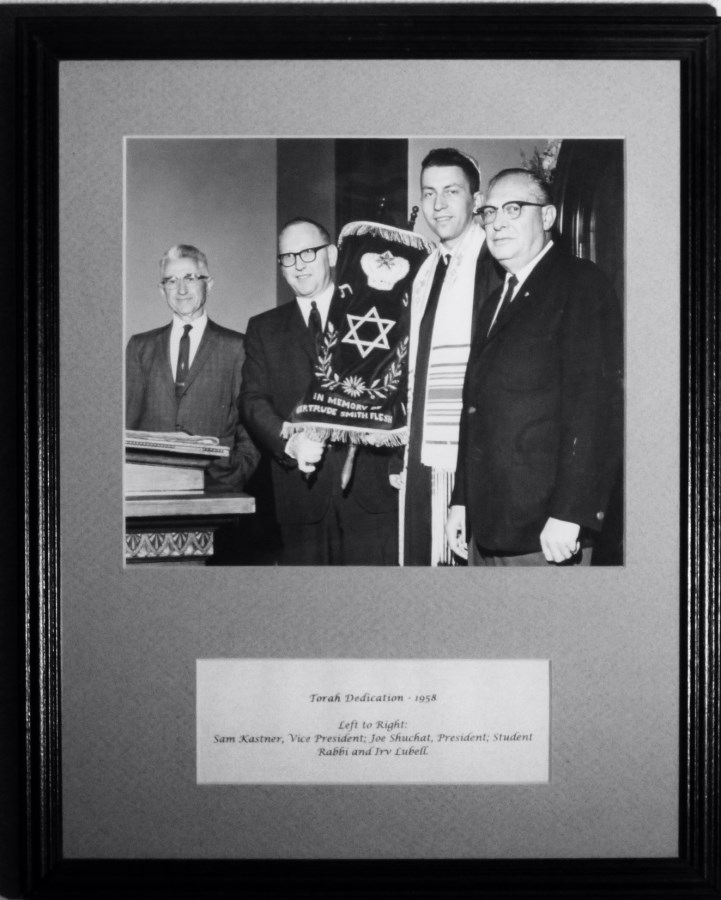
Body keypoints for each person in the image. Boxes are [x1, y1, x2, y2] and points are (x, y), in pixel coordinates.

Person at [446, 168, 623, 566]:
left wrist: (571, 513)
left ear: (547, 217)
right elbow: (473, 408)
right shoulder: (494, 301)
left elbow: (595, 408)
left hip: (546, 532)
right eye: (489, 213)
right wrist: (461, 501)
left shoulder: (581, 284)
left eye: (513, 209)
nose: (497, 223)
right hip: (487, 525)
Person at [239, 217, 399, 565]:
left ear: (330, 254)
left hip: (372, 494)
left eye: (307, 253)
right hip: (301, 498)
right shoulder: (263, 328)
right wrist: (290, 441)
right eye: (287, 257)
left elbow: (401, 391)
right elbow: (252, 401)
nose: (297, 265)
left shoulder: (373, 313)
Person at [401, 147, 503, 565]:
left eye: (451, 191)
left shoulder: (492, 264)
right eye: (428, 193)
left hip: (467, 456)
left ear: (476, 201)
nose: (438, 205)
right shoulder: (426, 269)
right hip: (422, 451)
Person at [126, 243, 259, 491]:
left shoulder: (238, 346)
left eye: (190, 278)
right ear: (161, 289)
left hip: (217, 485)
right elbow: (126, 423)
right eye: (171, 281)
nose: (182, 289)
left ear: (208, 284)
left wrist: (236, 473)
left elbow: (250, 425)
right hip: (148, 486)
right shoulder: (140, 347)